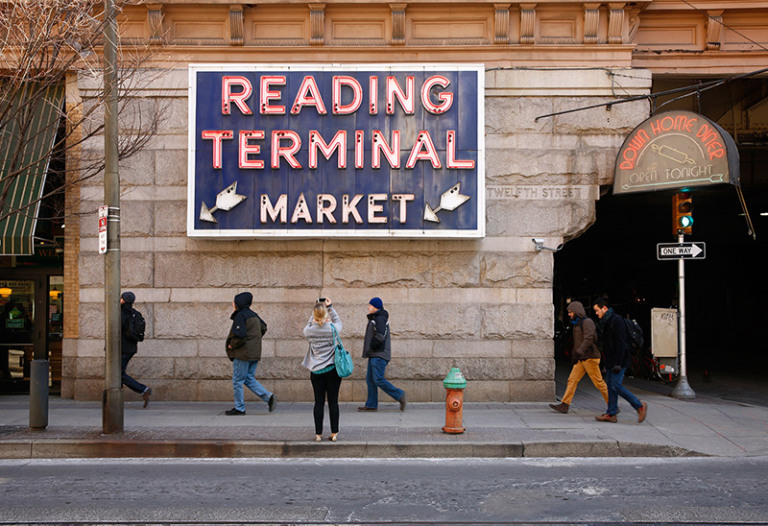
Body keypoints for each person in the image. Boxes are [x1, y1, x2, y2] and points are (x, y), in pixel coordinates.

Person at [592, 296, 647, 423]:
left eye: (597, 310)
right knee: (611, 387)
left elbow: (621, 344)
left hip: (620, 361)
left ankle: (639, 405)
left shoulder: (617, 321)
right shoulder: (606, 322)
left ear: (604, 308)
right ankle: (611, 414)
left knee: (615, 385)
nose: (596, 313)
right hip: (612, 360)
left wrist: (617, 363)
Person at [550, 300, 608, 413]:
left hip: (590, 358)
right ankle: (565, 404)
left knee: (599, 383)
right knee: (572, 380)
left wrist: (578, 352)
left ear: (576, 312)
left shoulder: (587, 322)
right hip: (582, 358)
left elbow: (589, 338)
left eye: (571, 312)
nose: (569, 314)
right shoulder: (577, 323)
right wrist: (575, 355)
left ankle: (612, 405)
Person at [225, 292, 275, 415]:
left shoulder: (240, 315)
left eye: (234, 302)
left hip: (243, 354)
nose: (232, 304)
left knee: (237, 381)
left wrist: (232, 345)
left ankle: (239, 408)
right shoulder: (254, 315)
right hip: (254, 353)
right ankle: (268, 397)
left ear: (238, 304)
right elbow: (263, 327)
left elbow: (240, 335)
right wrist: (253, 341)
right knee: (248, 378)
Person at [302, 298, 343, 442]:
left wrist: (316, 309)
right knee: (333, 402)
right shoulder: (332, 328)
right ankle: (334, 433)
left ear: (314, 315)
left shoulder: (308, 330)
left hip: (316, 371)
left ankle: (318, 434)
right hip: (332, 369)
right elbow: (339, 322)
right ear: (326, 315)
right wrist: (330, 307)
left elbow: (308, 324)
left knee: (318, 402)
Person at [358, 297, 406, 412]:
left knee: (378, 379)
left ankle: (399, 395)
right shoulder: (376, 318)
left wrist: (371, 346)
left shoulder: (380, 318)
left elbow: (380, 336)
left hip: (379, 354)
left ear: (375, 307)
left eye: (370, 305)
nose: (368, 307)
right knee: (370, 379)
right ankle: (371, 404)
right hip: (374, 354)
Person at [120, 292, 152, 407]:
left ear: (122, 300)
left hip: (122, 348)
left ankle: (143, 389)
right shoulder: (135, 313)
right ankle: (117, 398)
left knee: (118, 374)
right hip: (131, 348)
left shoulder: (122, 313)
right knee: (119, 373)